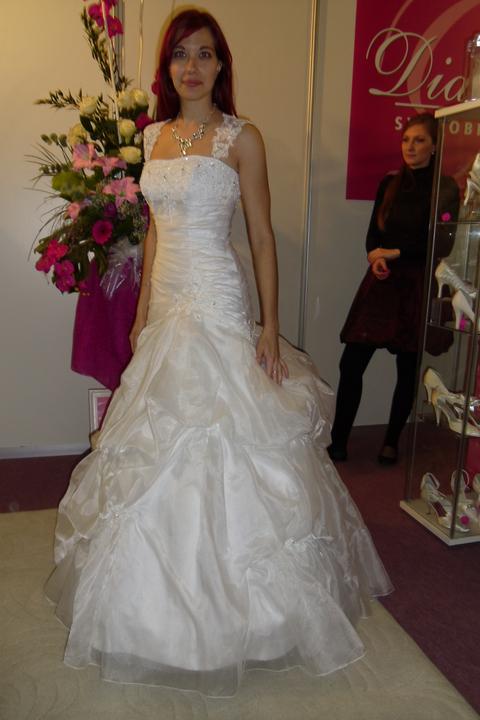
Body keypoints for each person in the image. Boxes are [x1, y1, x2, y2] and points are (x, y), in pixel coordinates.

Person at [46, 8, 392, 697]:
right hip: (168, 300)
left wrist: (269, 326)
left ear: (222, 64)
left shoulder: (242, 137)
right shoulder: (152, 138)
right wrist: (142, 312)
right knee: (154, 441)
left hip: (217, 298)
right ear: (167, 67)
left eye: (205, 54)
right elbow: (154, 233)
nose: (192, 67)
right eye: (181, 55)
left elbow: (260, 235)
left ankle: (255, 613)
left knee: (229, 433)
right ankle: (151, 613)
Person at [328, 114, 459, 466]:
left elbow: (441, 244)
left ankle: (391, 442)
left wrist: (394, 253)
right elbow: (373, 235)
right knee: (351, 363)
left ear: (435, 146)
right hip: (382, 282)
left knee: (407, 367)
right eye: (406, 140)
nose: (410, 147)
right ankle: (339, 440)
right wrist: (376, 256)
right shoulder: (389, 184)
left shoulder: (446, 188)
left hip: (417, 283)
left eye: (419, 140)